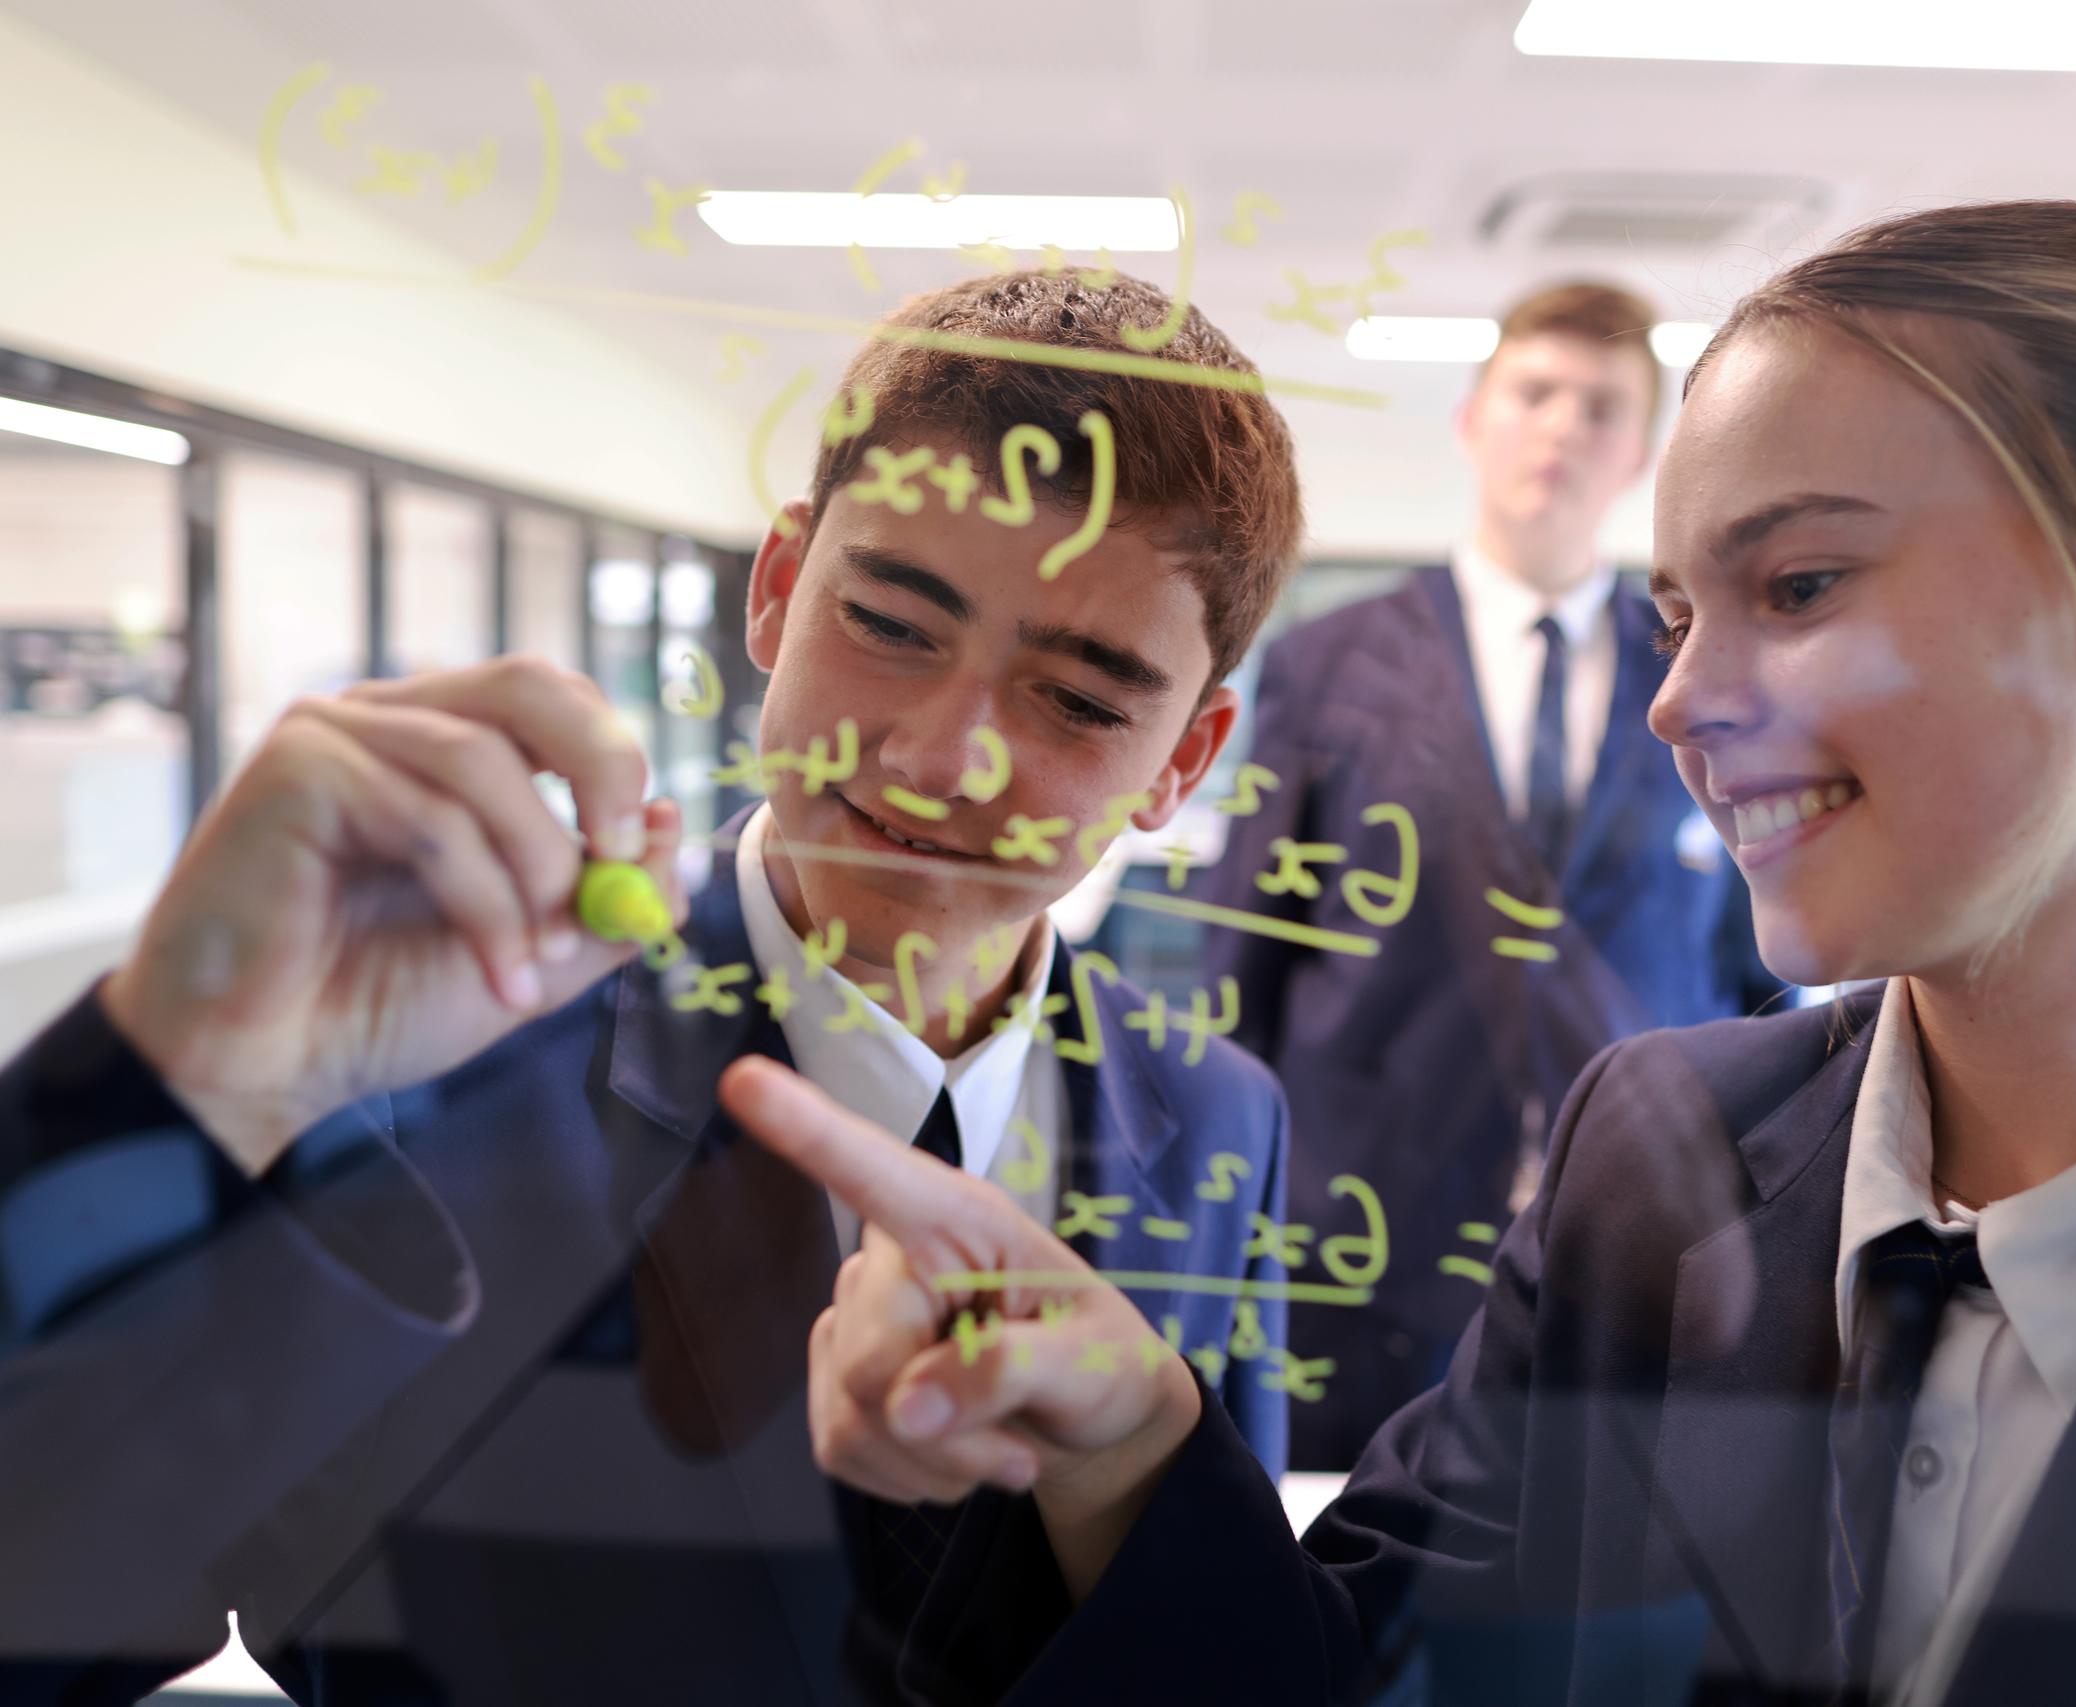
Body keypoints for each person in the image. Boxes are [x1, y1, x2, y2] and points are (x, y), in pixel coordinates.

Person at [728, 200, 2076, 1707]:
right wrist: (1128, 1432)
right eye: (1678, 608)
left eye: (1802, 585)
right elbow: (1339, 1684)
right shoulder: (1655, 1164)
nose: (1681, 699)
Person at [0, 270, 1307, 1702]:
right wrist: (170, 1077)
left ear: (1185, 755)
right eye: (891, 621)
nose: (942, 757)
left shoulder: (1217, 1115)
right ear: (777, 587)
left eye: (1077, 699)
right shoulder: (417, 1070)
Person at [1198, 280, 1784, 1468]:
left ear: (1641, 453)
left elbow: (1749, 970)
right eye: (1535, 392)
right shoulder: (1331, 665)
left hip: (1633, 1237)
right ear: (1473, 419)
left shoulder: (1703, 678)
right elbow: (1239, 954)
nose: (1563, 425)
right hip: (1362, 1229)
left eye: (1601, 405)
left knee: (1586, 1584)